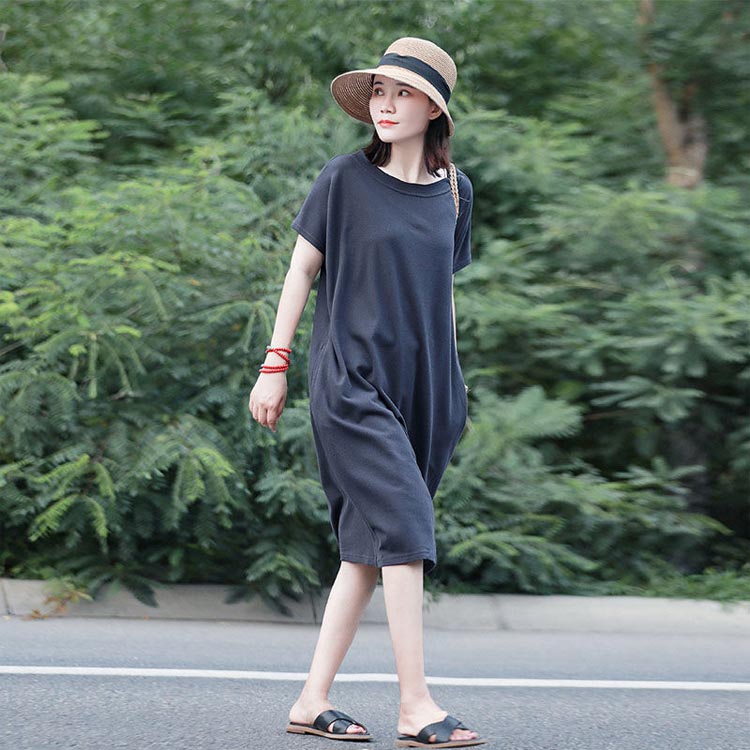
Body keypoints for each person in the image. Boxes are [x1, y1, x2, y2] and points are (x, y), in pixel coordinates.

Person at [247, 37, 485, 748]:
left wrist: (454, 386)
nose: (386, 103)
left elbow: (442, 294)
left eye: (403, 93)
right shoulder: (345, 179)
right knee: (407, 533)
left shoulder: (455, 191)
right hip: (352, 381)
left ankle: (310, 700)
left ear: (433, 109)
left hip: (429, 390)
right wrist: (275, 362)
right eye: (380, 90)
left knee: (365, 553)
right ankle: (416, 705)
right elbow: (301, 272)